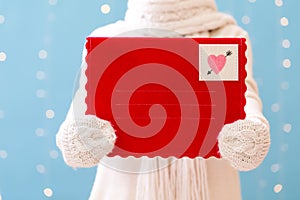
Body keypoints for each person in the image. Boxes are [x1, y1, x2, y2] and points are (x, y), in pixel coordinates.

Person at [56, 0, 271, 199]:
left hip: (208, 189)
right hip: (125, 190)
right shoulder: (110, 37)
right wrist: (81, 136)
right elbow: (81, 106)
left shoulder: (224, 36)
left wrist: (250, 131)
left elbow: (245, 95)